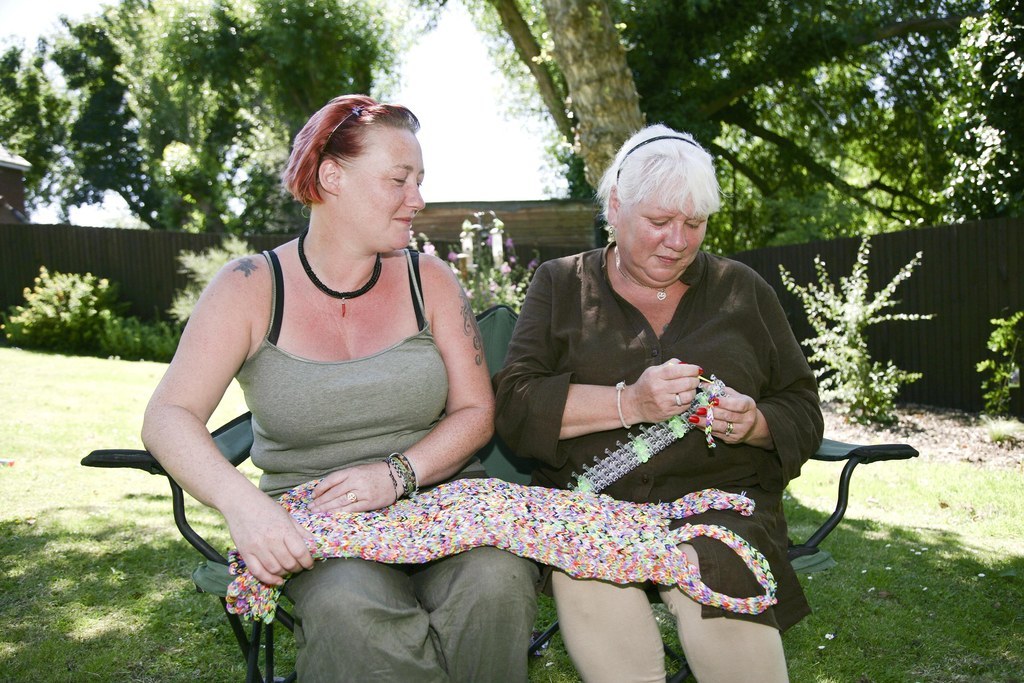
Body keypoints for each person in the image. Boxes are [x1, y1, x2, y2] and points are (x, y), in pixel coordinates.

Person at [142, 94, 538, 682]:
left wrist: (397, 474)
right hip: (319, 530)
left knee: (497, 583)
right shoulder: (251, 287)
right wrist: (245, 507)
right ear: (332, 177)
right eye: (399, 180)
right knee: (351, 608)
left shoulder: (429, 279)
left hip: (440, 504)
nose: (418, 200)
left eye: (420, 181)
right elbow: (168, 416)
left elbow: (477, 409)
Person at [494, 124, 823, 682]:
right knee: (588, 562)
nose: (678, 240)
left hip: (721, 510)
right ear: (616, 207)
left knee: (718, 562)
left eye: (694, 224)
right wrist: (631, 403)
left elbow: (802, 407)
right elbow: (516, 406)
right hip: (594, 508)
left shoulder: (742, 290)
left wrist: (757, 422)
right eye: (659, 222)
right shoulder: (560, 284)